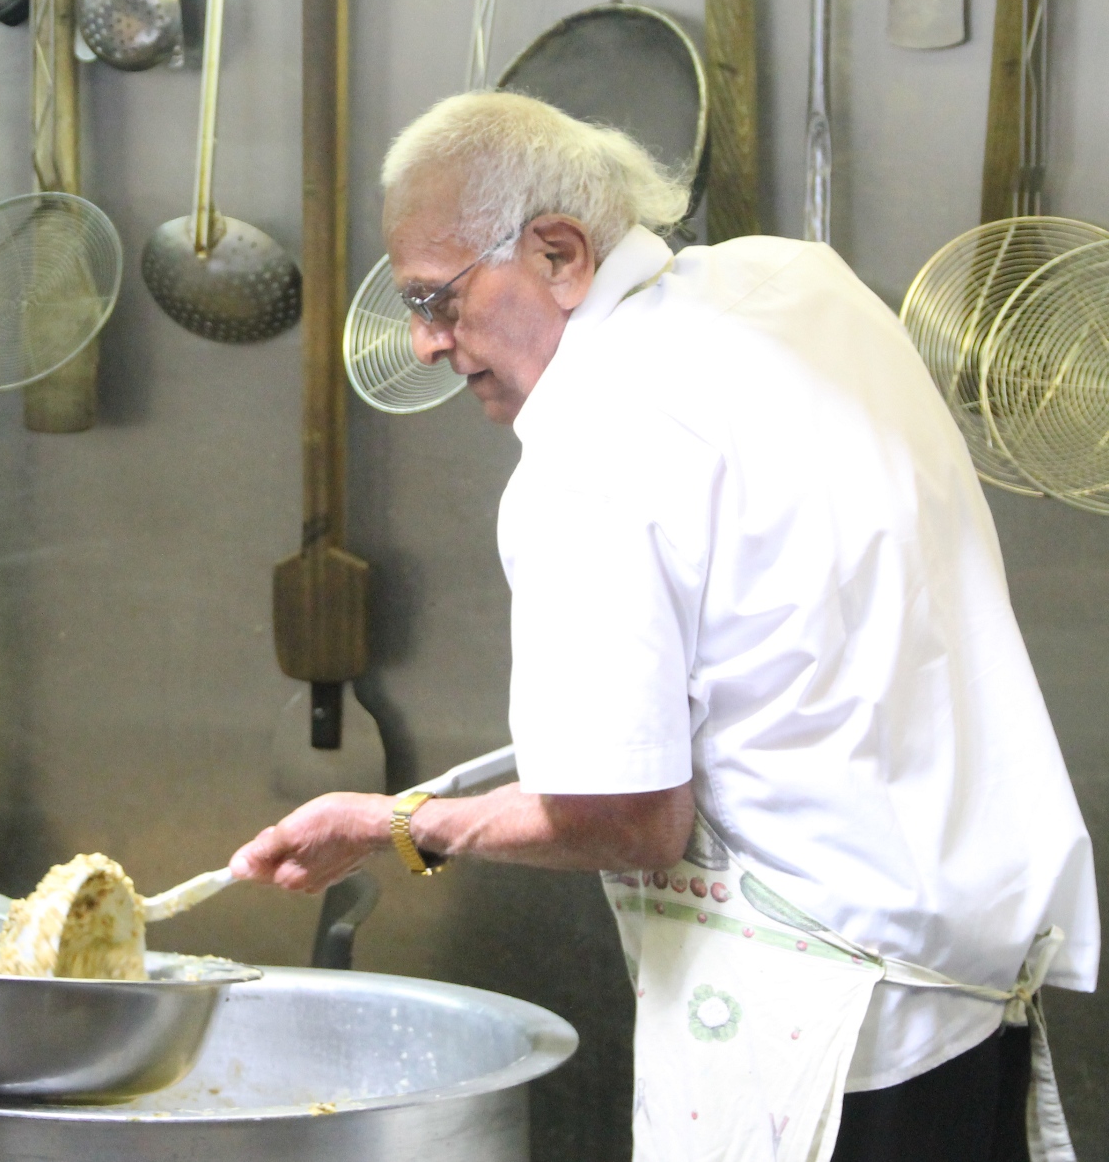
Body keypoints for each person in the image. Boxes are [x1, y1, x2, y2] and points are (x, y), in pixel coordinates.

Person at [231, 91, 1098, 1161]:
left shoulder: (590, 449)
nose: (422, 345)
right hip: (966, 993)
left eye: (436, 300)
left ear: (558, 252)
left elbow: (624, 816)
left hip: (822, 1041)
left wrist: (396, 823)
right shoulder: (800, 284)